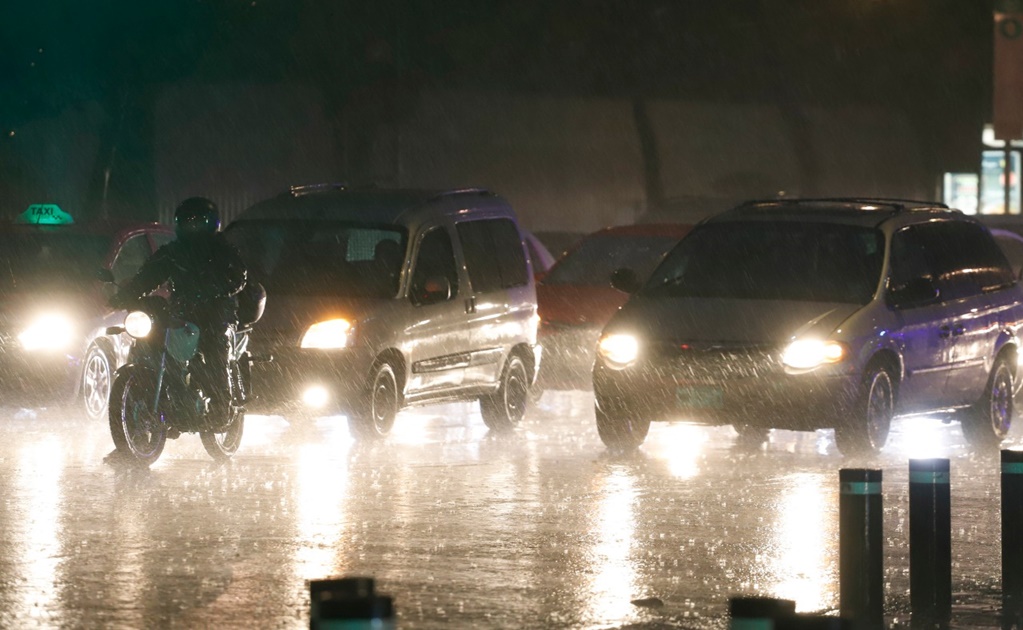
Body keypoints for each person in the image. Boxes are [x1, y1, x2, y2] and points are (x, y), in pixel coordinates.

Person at [110, 197, 247, 421]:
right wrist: (125, 295)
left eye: (197, 222)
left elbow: (236, 277)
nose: (192, 227)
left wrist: (211, 290)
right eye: (187, 222)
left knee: (213, 348)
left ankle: (221, 406)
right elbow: (149, 274)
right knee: (153, 338)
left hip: (216, 311)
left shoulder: (223, 251)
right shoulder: (172, 253)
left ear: (210, 223)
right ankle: (164, 391)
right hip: (183, 309)